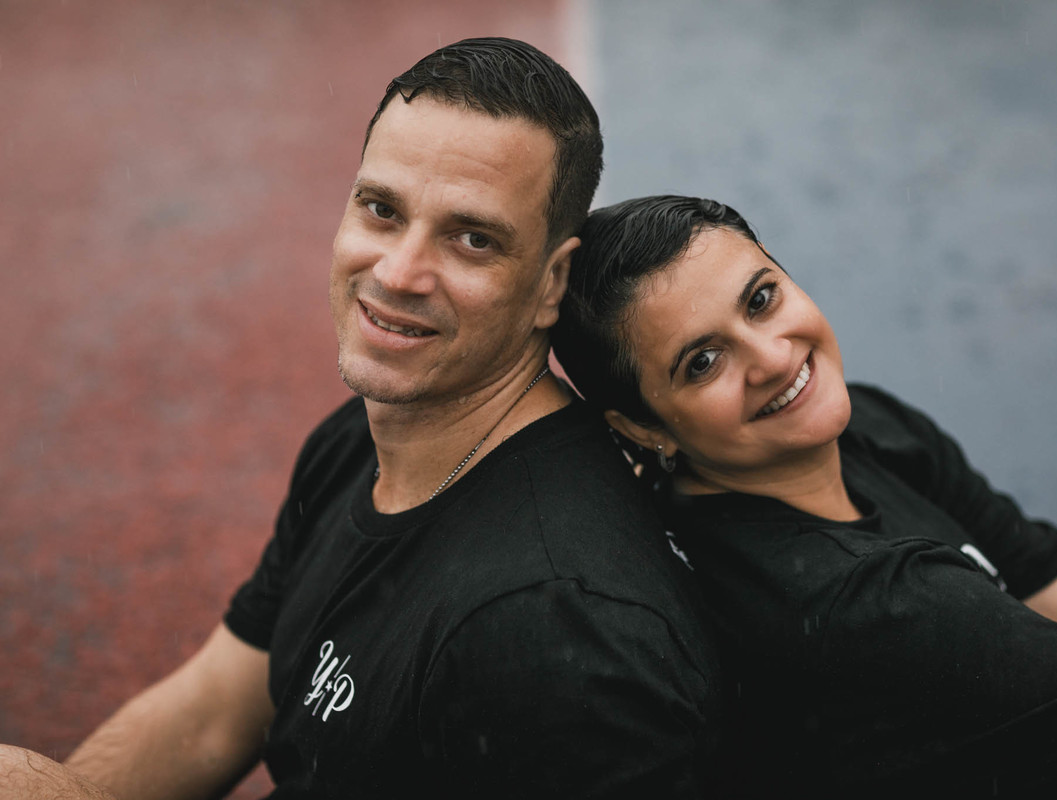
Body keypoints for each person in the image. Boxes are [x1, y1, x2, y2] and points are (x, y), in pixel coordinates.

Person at [0, 42, 721, 799]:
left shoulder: (560, 627)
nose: (398, 273)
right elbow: (213, 711)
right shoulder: (360, 441)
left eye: (471, 238)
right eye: (382, 210)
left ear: (552, 284)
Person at [551, 194, 1057, 799]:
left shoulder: (869, 429)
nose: (774, 358)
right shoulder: (863, 601)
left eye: (760, 299)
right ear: (643, 427)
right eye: (702, 362)